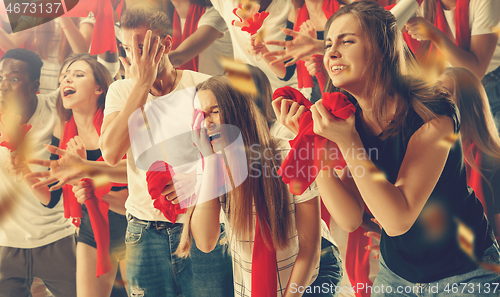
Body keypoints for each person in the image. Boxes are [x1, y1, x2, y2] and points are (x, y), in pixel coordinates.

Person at [275, 2, 499, 296]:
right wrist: (314, 145)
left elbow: (397, 220)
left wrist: (347, 141)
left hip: (467, 274)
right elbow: (350, 217)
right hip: (397, 276)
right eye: (329, 43)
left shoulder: (434, 113)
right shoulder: (348, 115)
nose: (331, 52)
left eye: (347, 41)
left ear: (382, 51)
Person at [100, 6, 233, 296]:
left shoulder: (204, 85)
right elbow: (111, 152)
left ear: (167, 45)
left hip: (203, 225)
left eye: (143, 46)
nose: (135, 56)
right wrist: (142, 84)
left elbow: (235, 157)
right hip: (143, 231)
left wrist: (195, 180)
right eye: (127, 48)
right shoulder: (122, 92)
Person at [178, 75, 341, 297]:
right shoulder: (212, 166)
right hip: (253, 282)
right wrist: (208, 161)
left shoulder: (288, 154)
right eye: (201, 115)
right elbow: (206, 242)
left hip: (312, 273)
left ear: (238, 112)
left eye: (215, 111)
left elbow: (309, 250)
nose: (208, 122)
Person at [26, 54, 130, 297]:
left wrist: (88, 177)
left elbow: (136, 193)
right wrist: (22, 170)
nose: (67, 80)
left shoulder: (115, 125)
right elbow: (50, 197)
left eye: (78, 75)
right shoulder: (61, 130)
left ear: (99, 88)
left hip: (130, 225)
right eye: (64, 76)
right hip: (89, 227)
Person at [0, 48, 76, 297]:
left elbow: (103, 70)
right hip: (6, 244)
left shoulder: (56, 105)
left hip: (56, 238)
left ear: (35, 86)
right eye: (0, 77)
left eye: (13, 78)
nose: (3, 85)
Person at [405, 0, 500, 131]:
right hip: (451, 87)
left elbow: (475, 72)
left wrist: (434, 34)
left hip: (491, 83)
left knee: (489, 147)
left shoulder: (485, 2)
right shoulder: (423, 4)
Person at [440, 67, 500, 241]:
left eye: (445, 92)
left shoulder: (493, 163)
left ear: (466, 103)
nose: (433, 98)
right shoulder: (431, 158)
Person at [210, 0, 299, 91]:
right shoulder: (227, 3)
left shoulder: (292, 6)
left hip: (286, 92)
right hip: (245, 92)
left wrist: (263, 49)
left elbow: (286, 72)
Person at [165, 0, 233, 76]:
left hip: (216, 86)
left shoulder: (215, 15)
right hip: (189, 86)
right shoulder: (170, 18)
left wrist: (150, 60)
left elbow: (179, 58)